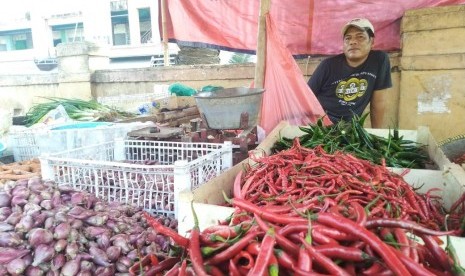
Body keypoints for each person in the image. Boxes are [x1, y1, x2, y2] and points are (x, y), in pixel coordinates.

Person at [308, 18, 392, 128]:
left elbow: (379, 102)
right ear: (343, 44)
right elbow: (306, 98)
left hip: (350, 129)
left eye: (360, 37)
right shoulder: (328, 65)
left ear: (372, 42)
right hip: (321, 127)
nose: (353, 42)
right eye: (348, 38)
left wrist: (376, 134)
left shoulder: (379, 60)